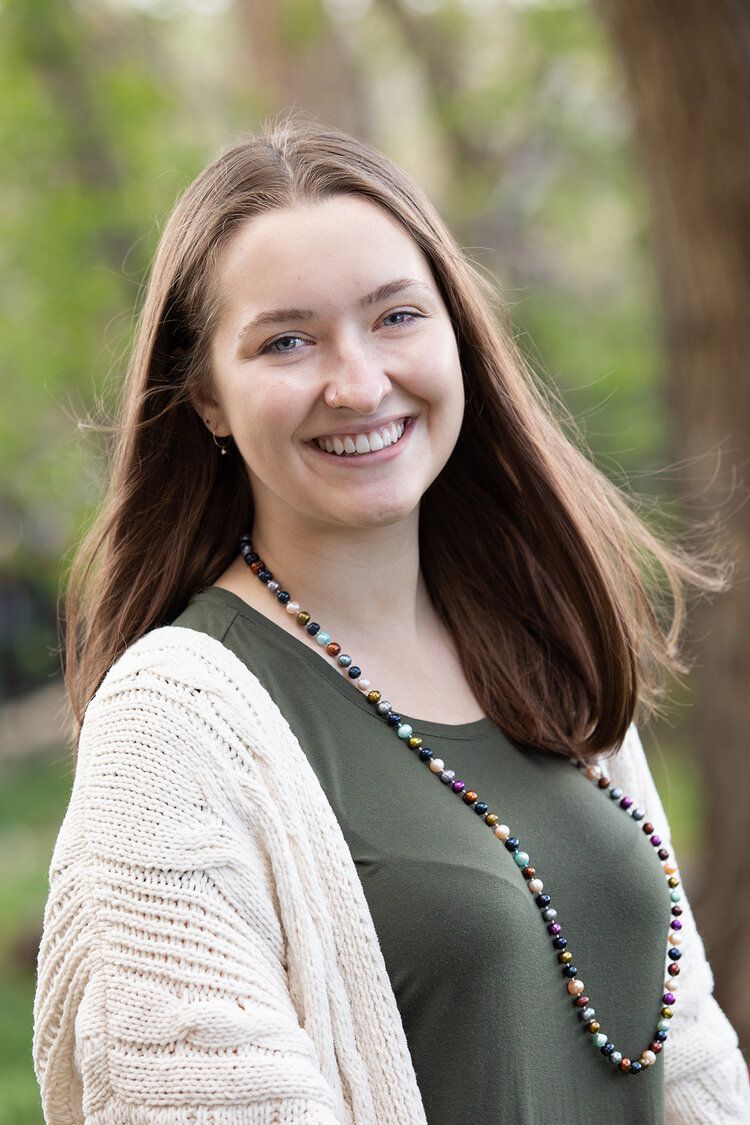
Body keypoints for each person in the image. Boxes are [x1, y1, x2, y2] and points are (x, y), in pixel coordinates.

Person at [33, 113, 750, 1124]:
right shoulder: (168, 728)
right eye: (287, 340)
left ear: (459, 332)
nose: (359, 382)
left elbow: (699, 1061)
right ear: (206, 397)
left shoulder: (540, 645)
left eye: (397, 317)